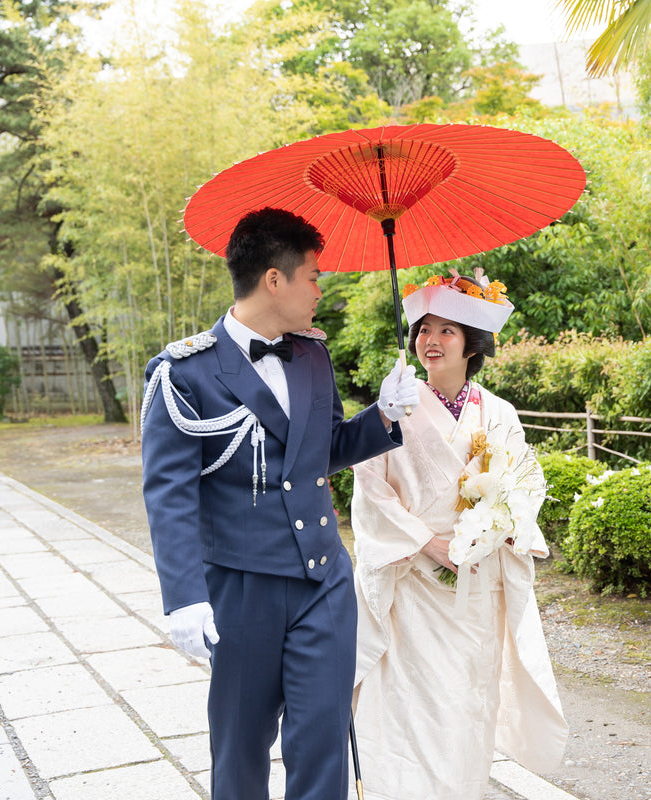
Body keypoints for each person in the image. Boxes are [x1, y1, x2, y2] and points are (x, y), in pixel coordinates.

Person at [140, 206, 420, 800]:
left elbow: (319, 452)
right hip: (242, 589)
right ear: (275, 279)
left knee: (322, 743)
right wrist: (183, 597)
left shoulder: (312, 354)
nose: (320, 290)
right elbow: (169, 494)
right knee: (240, 749)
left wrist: (383, 416)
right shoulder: (184, 373)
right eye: (314, 276)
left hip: (323, 580)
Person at [348, 270, 567, 800]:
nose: (431, 340)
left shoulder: (499, 413)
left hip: (475, 584)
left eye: (447, 330)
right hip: (413, 580)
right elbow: (371, 488)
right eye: (424, 328)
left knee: (468, 702)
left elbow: (522, 485)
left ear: (473, 343)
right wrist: (429, 543)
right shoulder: (397, 407)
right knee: (409, 702)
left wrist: (485, 534)